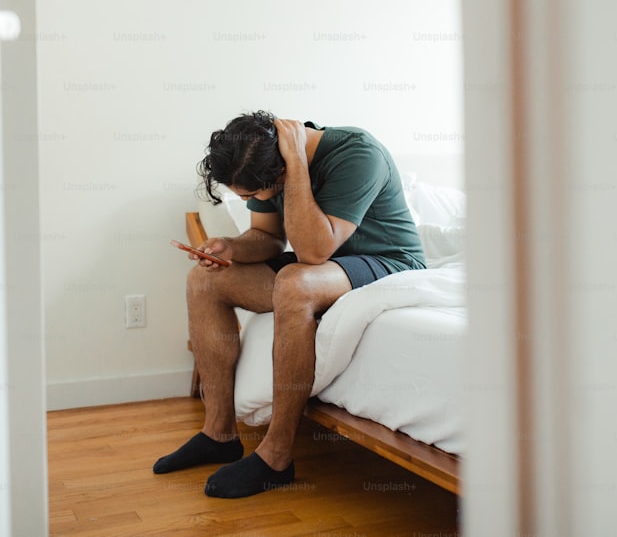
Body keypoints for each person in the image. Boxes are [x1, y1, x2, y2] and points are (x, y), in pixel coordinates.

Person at [153, 110, 426, 498]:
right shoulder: (260, 156)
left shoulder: (358, 153)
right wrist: (231, 247)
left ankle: (277, 456)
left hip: (389, 263)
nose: (247, 201)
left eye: (250, 196)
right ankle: (219, 433)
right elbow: (267, 239)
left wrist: (297, 165)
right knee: (205, 280)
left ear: (280, 171)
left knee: (295, 283)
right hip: (327, 265)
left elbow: (313, 251)